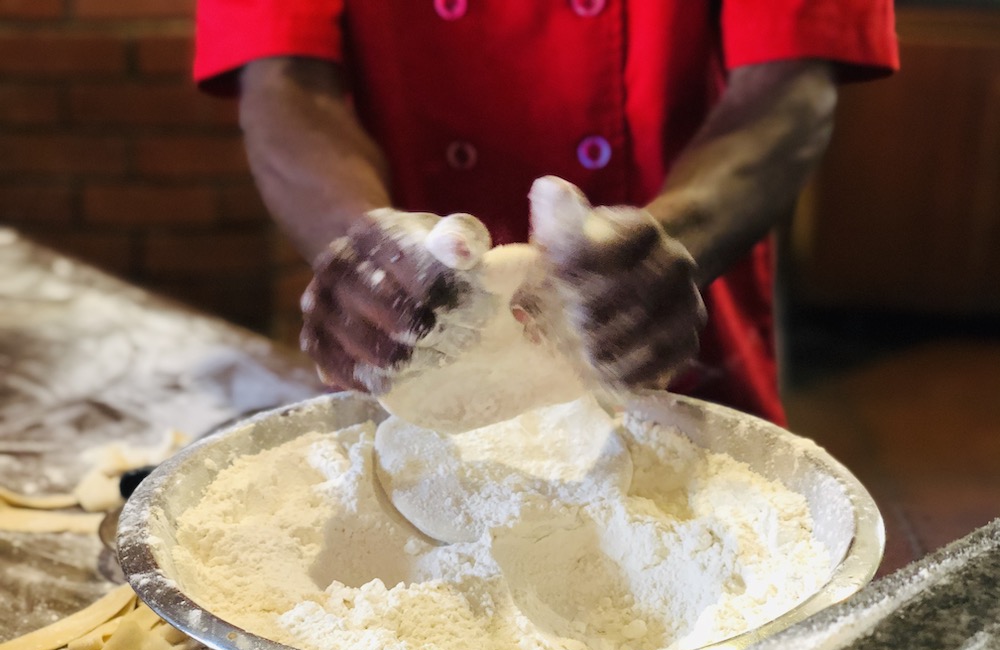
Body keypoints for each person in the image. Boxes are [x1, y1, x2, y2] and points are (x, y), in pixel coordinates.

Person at [193, 1, 898, 425]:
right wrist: (373, 254)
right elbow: (281, 76)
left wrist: (671, 240)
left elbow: (789, 81)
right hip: (411, 356)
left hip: (662, 335)